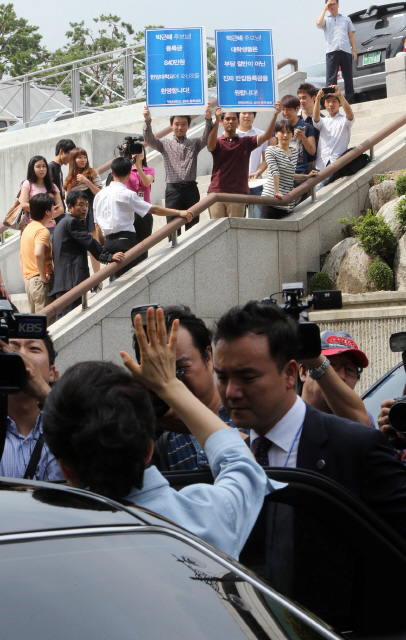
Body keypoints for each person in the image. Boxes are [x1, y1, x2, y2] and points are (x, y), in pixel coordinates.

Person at [41, 307, 281, 560]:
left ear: (64, 468)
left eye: (179, 368)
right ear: (148, 449)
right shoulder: (202, 520)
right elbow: (242, 463)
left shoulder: (45, 547)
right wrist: (168, 386)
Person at [213, 301, 406, 539]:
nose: (232, 392)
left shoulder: (357, 445)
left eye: (248, 377)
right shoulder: (230, 457)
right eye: (222, 377)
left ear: (290, 373)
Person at [136, 305, 231, 471]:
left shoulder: (246, 416)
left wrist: (199, 424)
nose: (171, 382)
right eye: (159, 372)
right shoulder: (163, 442)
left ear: (208, 357)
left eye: (179, 369)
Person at [93, 157, 193, 281]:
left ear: (112, 173)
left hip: (108, 242)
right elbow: (154, 209)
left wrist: (104, 248)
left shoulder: (99, 196)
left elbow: (97, 227)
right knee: (127, 282)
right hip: (126, 241)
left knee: (115, 282)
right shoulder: (128, 194)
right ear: (130, 174)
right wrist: (179, 212)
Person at [49, 191, 125, 319]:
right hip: (71, 282)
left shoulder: (63, 222)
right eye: (81, 205)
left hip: (63, 283)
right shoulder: (72, 222)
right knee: (71, 323)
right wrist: (108, 257)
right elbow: (89, 241)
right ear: (70, 206)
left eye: (87, 205)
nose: (85, 208)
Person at [0, 330, 63, 482]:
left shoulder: (67, 428)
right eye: (12, 349)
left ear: (52, 373)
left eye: (33, 348)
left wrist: (46, 394)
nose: (22, 355)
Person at [143, 104, 213, 235]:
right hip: (173, 191)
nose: (180, 127)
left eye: (183, 124)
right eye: (176, 124)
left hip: (191, 190)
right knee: (172, 230)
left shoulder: (194, 143)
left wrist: (208, 119)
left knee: (193, 230)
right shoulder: (164, 144)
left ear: (188, 125)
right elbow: (149, 139)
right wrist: (147, 121)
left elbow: (207, 137)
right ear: (171, 125)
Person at [207, 107, 280, 219]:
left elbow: (266, 136)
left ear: (238, 121)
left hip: (238, 194)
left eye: (233, 118)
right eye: (227, 119)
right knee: (217, 232)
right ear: (222, 122)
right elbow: (210, 145)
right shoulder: (217, 142)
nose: (230, 121)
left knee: (236, 231)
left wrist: (275, 115)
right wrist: (216, 120)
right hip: (216, 193)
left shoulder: (246, 142)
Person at [299, 330, 374, 427]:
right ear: (304, 372)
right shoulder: (283, 415)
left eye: (350, 369)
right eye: (330, 365)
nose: (341, 376)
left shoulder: (362, 421)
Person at [260, 120, 317, 219]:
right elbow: (275, 172)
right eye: (282, 132)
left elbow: (290, 175)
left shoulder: (294, 152)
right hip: (271, 201)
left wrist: (307, 176)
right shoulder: (271, 150)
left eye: (288, 132)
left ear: (292, 135)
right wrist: (276, 192)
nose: (285, 135)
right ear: (276, 134)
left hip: (287, 204)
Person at [63, 147, 103, 287]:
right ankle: (85, 281)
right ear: (73, 160)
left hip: (90, 212)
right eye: (79, 157)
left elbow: (100, 193)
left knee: (93, 243)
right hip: (76, 216)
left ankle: (98, 279)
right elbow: (67, 201)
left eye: (84, 157)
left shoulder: (92, 174)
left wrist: (87, 181)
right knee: (79, 247)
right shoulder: (69, 179)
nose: (83, 160)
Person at [313, 85, 355, 189]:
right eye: (327, 102)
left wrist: (340, 95)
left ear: (339, 103)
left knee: (319, 191)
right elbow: (315, 118)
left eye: (334, 101)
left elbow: (350, 115)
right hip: (321, 164)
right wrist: (317, 98)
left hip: (337, 164)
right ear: (324, 104)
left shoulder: (344, 120)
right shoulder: (324, 121)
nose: (331, 104)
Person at [20, 194, 55, 316]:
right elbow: (38, 253)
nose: (54, 209)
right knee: (46, 324)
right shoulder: (42, 231)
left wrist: (26, 280)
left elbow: (20, 257)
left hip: (30, 282)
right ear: (47, 212)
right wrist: (43, 277)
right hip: (40, 282)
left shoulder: (27, 229)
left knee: (36, 325)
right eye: (52, 207)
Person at [316, 0, 357, 105]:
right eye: (329, 5)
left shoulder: (346, 19)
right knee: (331, 78)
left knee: (348, 77)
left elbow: (351, 35)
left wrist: (354, 51)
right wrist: (324, 9)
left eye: (333, 4)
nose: (332, 6)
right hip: (331, 51)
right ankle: (331, 101)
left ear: (338, 5)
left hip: (346, 50)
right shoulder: (325, 20)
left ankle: (350, 101)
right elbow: (318, 23)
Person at [237, 112, 271, 218]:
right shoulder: (230, 135)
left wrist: (257, 172)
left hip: (255, 183)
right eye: (244, 113)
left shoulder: (261, 135)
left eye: (250, 113)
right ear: (238, 115)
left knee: (259, 219)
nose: (247, 116)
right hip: (236, 185)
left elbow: (266, 160)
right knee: (238, 222)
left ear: (254, 116)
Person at [19, 155, 64, 236]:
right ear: (32, 168)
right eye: (38, 166)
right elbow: (24, 204)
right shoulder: (27, 184)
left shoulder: (52, 186)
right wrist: (44, 214)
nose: (42, 169)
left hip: (50, 228)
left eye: (44, 166)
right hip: (33, 227)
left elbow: (61, 209)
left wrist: (47, 218)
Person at [125, 143, 155, 262]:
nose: (139, 153)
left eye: (141, 150)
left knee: (144, 246)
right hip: (130, 212)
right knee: (131, 246)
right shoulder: (126, 170)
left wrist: (138, 167)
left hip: (145, 212)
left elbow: (147, 182)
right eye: (135, 151)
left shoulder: (149, 170)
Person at [280, 95, 316, 183]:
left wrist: (303, 138)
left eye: (288, 110)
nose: (285, 113)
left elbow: (312, 151)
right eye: (283, 109)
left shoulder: (307, 127)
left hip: (301, 171)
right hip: (283, 173)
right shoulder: (279, 127)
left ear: (297, 109)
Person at [48, 139, 76, 224]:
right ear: (61, 151)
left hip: (59, 212)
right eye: (69, 154)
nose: (71, 158)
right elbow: (48, 191)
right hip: (55, 213)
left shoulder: (58, 168)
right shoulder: (51, 167)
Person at [297, 83, 322, 171]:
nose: (301, 101)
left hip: (315, 162)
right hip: (297, 165)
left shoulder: (321, 119)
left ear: (313, 97)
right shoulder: (294, 118)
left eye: (304, 98)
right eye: (299, 98)